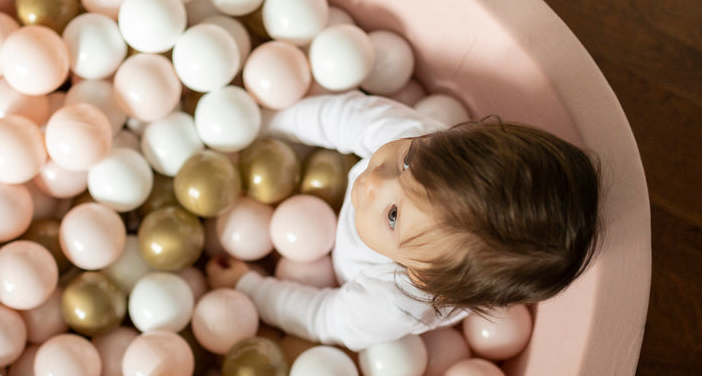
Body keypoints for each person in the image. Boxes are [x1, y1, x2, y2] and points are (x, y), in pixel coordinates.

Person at [206, 91, 601, 352]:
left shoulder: (397, 302)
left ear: (422, 276)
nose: (374, 182)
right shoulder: (417, 139)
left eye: (393, 216)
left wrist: (248, 286)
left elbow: (323, 318)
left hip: (344, 273)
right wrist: (258, 125)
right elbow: (337, 117)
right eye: (409, 162)